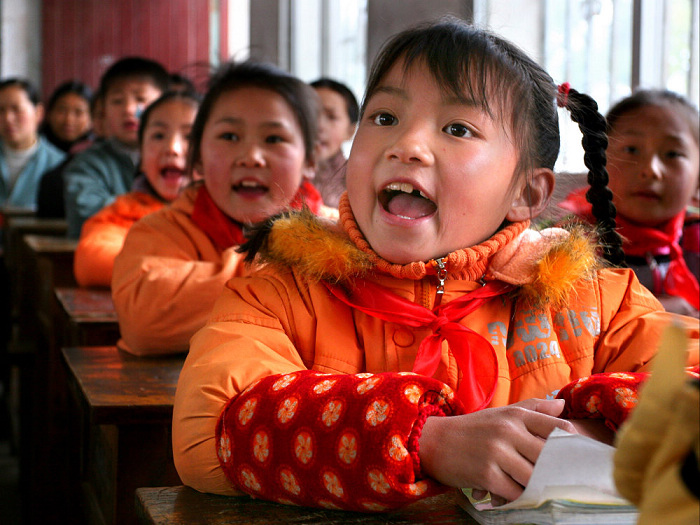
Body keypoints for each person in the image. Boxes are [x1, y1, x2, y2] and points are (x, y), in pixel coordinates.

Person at [172, 19, 699, 512]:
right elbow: (211, 428)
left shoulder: (595, 301)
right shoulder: (283, 293)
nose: (407, 146)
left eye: (457, 128)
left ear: (526, 193)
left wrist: (577, 438)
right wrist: (425, 440)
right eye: (384, 118)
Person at [111, 60, 334, 356]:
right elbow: (143, 322)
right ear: (198, 157)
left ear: (310, 159)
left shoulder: (342, 235)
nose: (251, 157)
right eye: (229, 136)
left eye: (274, 139)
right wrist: (289, 262)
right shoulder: (160, 232)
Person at [558, 90, 700, 317]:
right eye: (631, 150)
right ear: (600, 160)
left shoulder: (695, 234)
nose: (650, 170)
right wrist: (660, 310)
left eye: (672, 154)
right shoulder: (570, 238)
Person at [73, 90, 200, 288]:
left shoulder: (233, 212)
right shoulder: (122, 213)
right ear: (140, 156)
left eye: (190, 137)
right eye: (158, 135)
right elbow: (91, 262)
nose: (172, 148)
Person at [63, 56, 170, 238]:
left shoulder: (179, 158)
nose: (129, 109)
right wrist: (165, 213)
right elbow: (89, 214)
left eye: (140, 99)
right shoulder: (85, 165)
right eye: (117, 101)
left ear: (166, 104)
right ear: (104, 109)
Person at [0, 78, 65, 209]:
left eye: (16, 109)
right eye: (0, 110)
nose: (8, 118)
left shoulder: (59, 164)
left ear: (38, 113)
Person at [310, 78, 359, 208]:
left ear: (350, 131)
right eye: (310, 114)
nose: (318, 125)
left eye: (331, 117)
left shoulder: (359, 181)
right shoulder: (278, 173)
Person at [40, 80, 93, 153]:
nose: (68, 119)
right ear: (49, 114)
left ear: (92, 118)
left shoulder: (97, 152)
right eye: (62, 110)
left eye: (78, 112)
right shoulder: (35, 148)